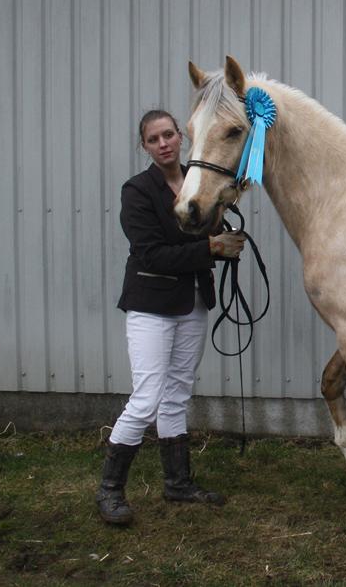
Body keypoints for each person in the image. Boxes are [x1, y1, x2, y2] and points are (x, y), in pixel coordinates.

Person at [96, 109, 245, 526]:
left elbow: (208, 224)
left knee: (177, 392)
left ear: (181, 137)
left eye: (168, 135)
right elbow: (152, 253)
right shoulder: (138, 191)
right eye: (153, 139)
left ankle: (177, 482)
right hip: (150, 304)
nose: (163, 144)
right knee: (146, 398)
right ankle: (109, 489)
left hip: (192, 301)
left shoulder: (199, 182)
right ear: (144, 146)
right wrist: (211, 250)